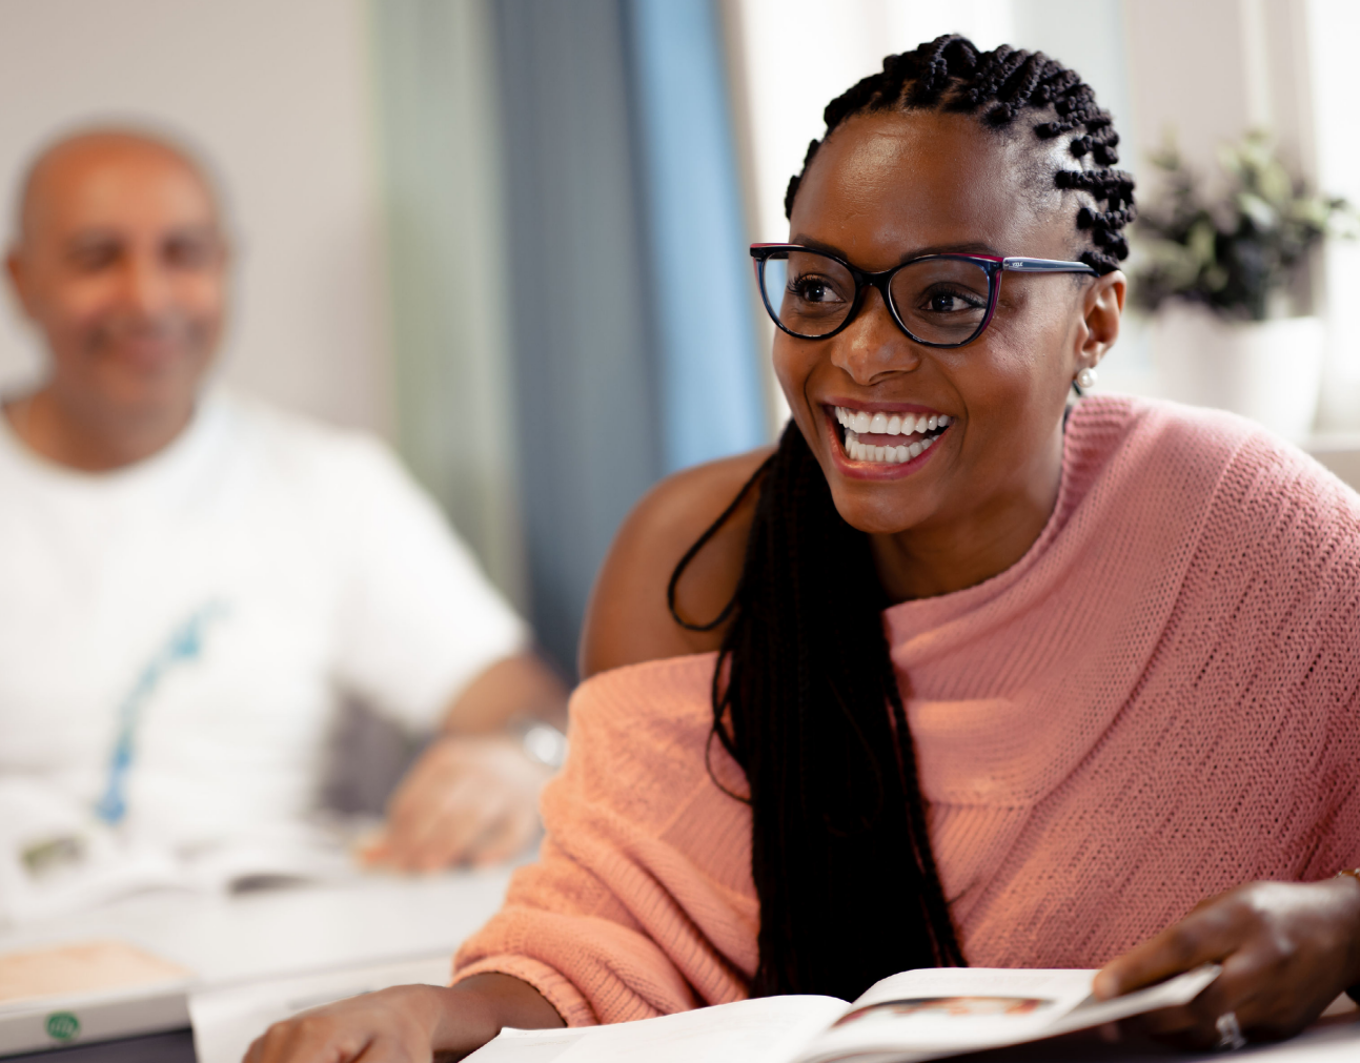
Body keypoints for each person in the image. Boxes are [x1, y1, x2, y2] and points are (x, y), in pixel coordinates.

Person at [246, 36, 1360, 1063]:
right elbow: (602, 950)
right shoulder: (694, 563)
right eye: (819, 288)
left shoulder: (1244, 527)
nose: (861, 355)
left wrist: (1344, 923)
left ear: (1097, 321)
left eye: (945, 298)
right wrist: (427, 1016)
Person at [0, 128, 568, 900]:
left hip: (273, 937)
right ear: (21, 281)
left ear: (225, 266)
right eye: (98, 257)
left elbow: (523, 702)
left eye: (184, 254)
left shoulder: (331, 485)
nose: (148, 298)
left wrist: (519, 756)